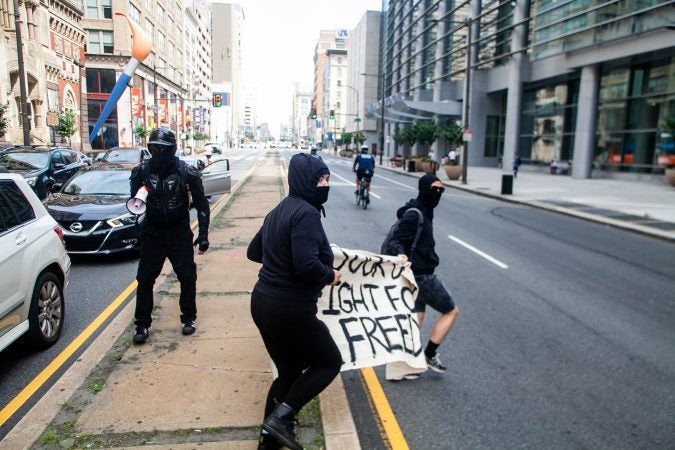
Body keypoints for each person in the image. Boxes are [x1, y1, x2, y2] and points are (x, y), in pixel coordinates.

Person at [247, 153, 342, 450]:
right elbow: (306, 266)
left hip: (263, 302)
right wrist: (331, 275)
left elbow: (254, 252)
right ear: (305, 180)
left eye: (327, 178)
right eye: (321, 179)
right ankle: (281, 419)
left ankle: (269, 442)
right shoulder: (307, 214)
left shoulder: (280, 210)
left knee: (288, 372)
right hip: (289, 308)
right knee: (328, 363)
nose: (326, 184)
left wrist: (280, 260)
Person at [129, 128, 210, 344]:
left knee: (187, 277)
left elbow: (202, 204)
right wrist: (137, 230)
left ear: (172, 149)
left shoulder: (187, 171)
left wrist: (203, 234)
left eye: (163, 149)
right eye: (154, 148)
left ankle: (188, 318)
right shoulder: (141, 172)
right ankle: (142, 324)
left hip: (178, 232)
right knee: (145, 280)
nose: (159, 153)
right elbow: (135, 202)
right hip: (153, 232)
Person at [388, 174, 459, 376]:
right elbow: (396, 240)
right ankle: (429, 354)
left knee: (416, 320)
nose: (437, 194)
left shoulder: (424, 211)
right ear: (423, 190)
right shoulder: (415, 214)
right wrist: (400, 253)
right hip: (422, 277)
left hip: (414, 276)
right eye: (434, 189)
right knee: (451, 311)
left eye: (441, 190)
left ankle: (402, 365)